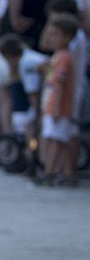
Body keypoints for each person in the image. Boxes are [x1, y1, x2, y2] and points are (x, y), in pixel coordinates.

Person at [36, 13, 79, 185]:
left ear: (67, 38)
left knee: (55, 140)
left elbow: (59, 84)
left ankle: (50, 172)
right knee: (52, 138)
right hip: (51, 105)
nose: (51, 38)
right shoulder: (56, 57)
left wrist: (56, 108)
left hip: (58, 107)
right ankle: (57, 171)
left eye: (55, 35)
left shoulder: (64, 57)